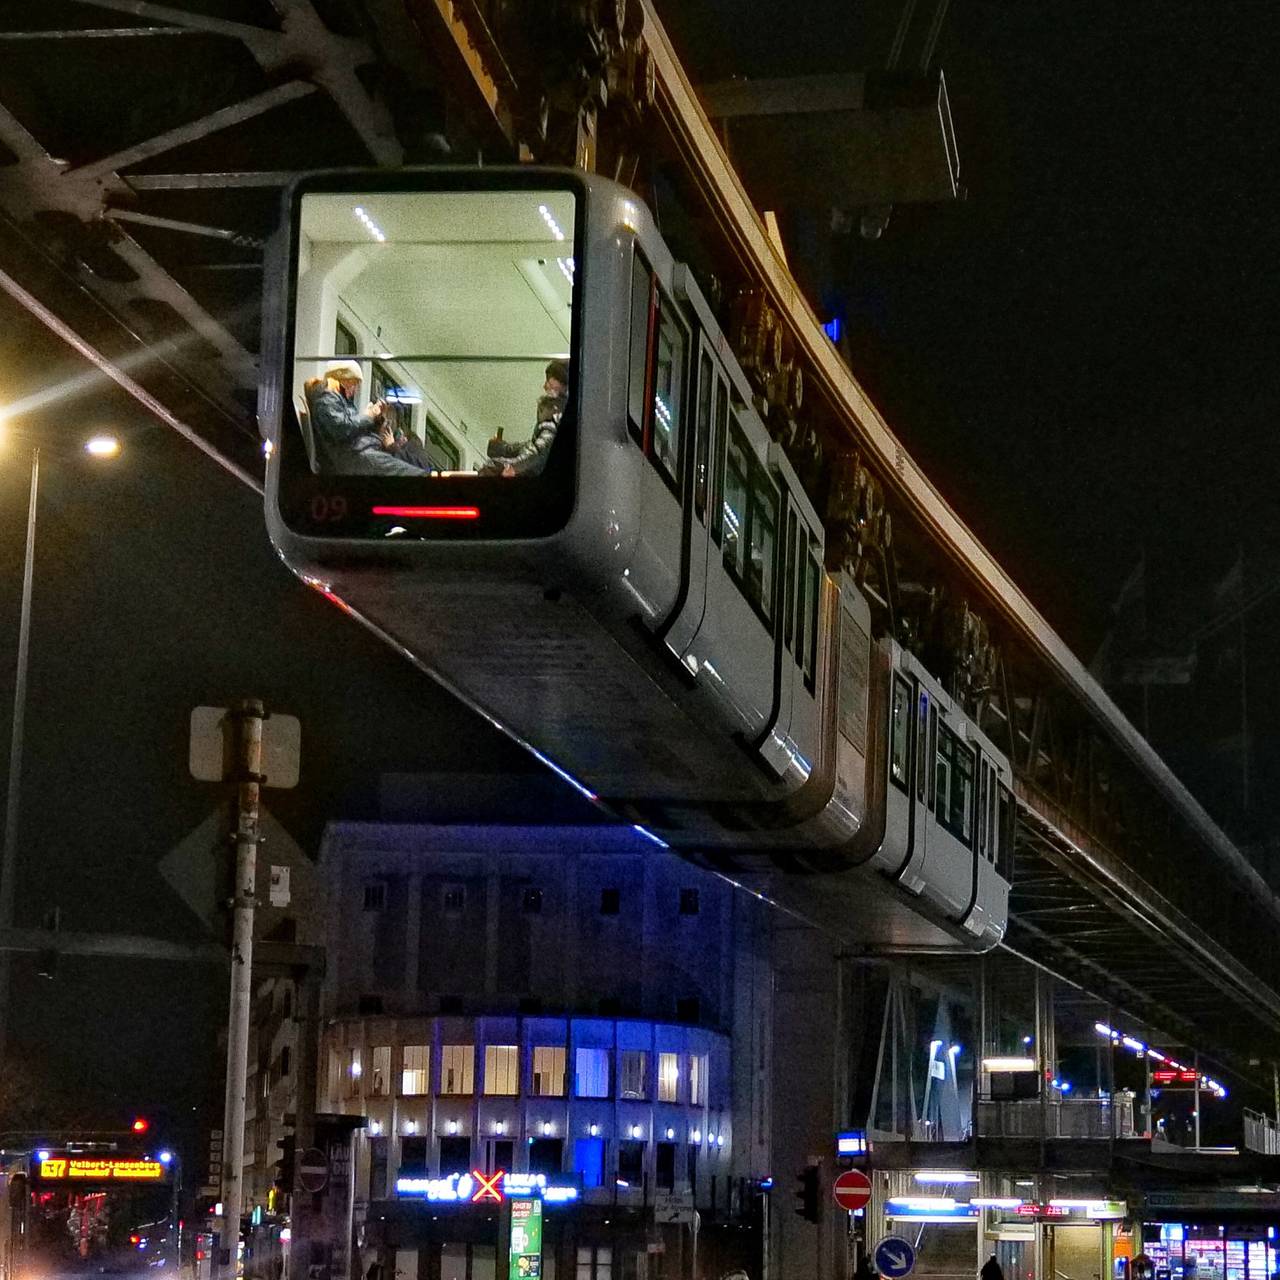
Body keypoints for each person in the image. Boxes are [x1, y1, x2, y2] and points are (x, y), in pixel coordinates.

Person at [304, 360, 430, 477]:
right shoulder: (326, 398)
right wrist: (368, 416)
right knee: (414, 475)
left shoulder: (339, 400)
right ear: (342, 379)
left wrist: (377, 419)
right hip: (353, 456)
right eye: (353, 383)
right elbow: (342, 428)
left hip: (360, 450)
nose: (354, 389)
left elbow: (352, 427)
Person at [479, 393, 561, 477]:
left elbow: (534, 454)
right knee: (494, 464)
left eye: (541, 410)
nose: (538, 414)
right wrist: (500, 448)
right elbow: (527, 447)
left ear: (553, 410)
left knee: (491, 466)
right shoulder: (546, 431)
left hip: (531, 474)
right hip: (529, 470)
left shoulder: (550, 432)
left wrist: (512, 467)